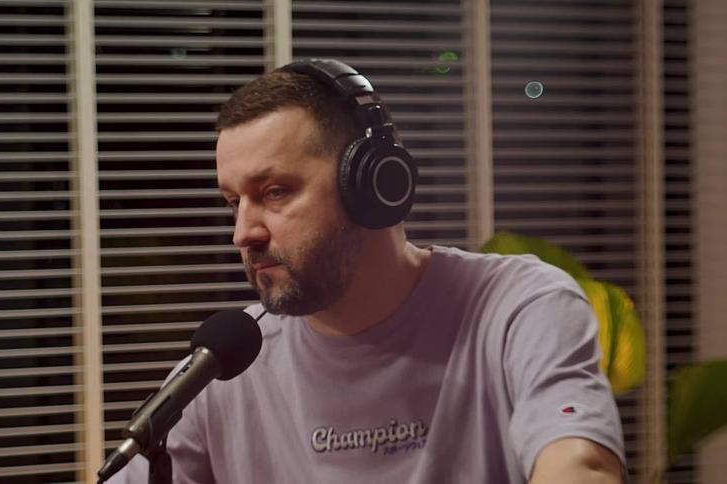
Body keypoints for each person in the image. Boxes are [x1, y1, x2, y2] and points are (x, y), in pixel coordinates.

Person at [111, 58, 626, 483]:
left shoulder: (518, 307)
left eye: (275, 192)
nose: (243, 233)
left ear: (374, 184)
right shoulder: (227, 366)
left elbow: (580, 465)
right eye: (233, 202)